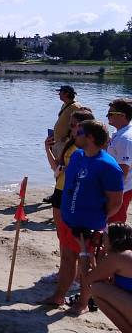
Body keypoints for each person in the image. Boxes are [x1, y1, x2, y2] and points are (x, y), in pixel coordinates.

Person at [61, 120, 124, 314]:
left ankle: (83, 303)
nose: (74, 134)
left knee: (87, 264)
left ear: (90, 137)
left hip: (89, 225)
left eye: (78, 131)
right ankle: (58, 295)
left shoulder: (108, 166)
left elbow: (115, 203)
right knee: (67, 257)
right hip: (69, 218)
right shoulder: (77, 155)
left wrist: (97, 219)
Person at [42, 108, 95, 306]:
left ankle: (75, 281)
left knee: (74, 244)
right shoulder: (71, 144)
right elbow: (56, 168)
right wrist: (46, 149)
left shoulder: (84, 149)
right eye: (70, 124)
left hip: (70, 194)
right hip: (60, 190)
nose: (69, 128)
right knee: (61, 237)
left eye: (73, 125)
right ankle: (64, 274)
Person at [81, 223, 132, 333]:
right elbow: (102, 275)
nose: (102, 242)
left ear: (113, 240)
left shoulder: (117, 257)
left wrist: (84, 252)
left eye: (104, 238)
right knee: (104, 287)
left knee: (97, 289)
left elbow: (88, 280)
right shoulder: (126, 254)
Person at [45, 85, 82, 203]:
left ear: (66, 93)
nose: (58, 94)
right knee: (56, 167)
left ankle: (59, 192)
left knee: (61, 167)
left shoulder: (76, 106)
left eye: (60, 92)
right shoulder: (65, 105)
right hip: (58, 142)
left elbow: (81, 122)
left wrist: (68, 137)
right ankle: (57, 191)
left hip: (65, 143)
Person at [107, 98, 132, 223]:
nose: (107, 116)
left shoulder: (125, 139)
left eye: (110, 113)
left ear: (122, 116)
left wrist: (113, 195)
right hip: (118, 188)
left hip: (119, 190)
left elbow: (124, 170)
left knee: (115, 226)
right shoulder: (120, 133)